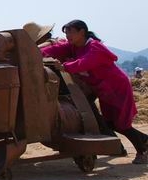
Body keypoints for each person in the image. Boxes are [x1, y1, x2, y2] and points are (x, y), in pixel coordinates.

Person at [41, 19, 148, 164]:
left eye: (71, 32)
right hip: (103, 88)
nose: (68, 36)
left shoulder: (95, 47)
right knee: (110, 122)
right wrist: (35, 54)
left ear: (82, 32)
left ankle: (143, 149)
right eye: (66, 33)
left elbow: (85, 62)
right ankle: (122, 146)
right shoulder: (73, 46)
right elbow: (54, 50)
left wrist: (64, 66)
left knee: (120, 123)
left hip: (116, 86)